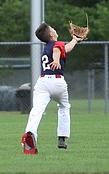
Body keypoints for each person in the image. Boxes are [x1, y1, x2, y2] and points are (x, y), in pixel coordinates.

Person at [21, 23, 82, 154]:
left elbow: (65, 49)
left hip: (42, 82)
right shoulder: (56, 45)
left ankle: (30, 135)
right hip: (57, 81)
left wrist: (75, 40)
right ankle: (62, 138)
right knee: (64, 106)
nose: (55, 30)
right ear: (51, 34)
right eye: (53, 29)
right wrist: (56, 60)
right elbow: (57, 50)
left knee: (36, 110)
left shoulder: (47, 47)